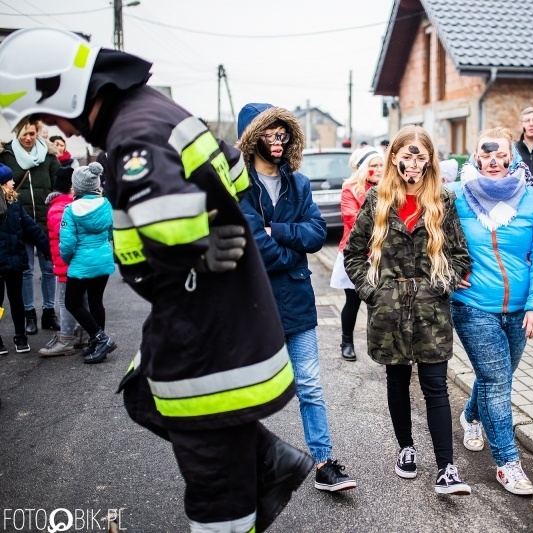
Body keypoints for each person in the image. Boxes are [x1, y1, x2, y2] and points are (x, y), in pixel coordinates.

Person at [0, 27, 313, 532]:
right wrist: (212, 221)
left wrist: (197, 244)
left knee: (217, 486)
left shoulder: (134, 135)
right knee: (142, 394)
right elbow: (234, 172)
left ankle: (259, 474)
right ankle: (271, 459)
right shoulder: (158, 111)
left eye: (45, 113)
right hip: (209, 313)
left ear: (63, 91)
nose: (54, 125)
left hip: (204, 331)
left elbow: (170, 220)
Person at [344, 125, 473, 495]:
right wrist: (372, 292)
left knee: (435, 386)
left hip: (431, 312)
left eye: (421, 157)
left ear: (430, 160)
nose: (414, 164)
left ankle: (447, 468)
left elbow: (460, 255)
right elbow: (353, 253)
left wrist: (440, 286)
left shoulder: (442, 200)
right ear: (395, 158)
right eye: (407, 156)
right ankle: (406, 448)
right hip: (389, 312)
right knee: (397, 381)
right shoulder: (378, 199)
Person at [237, 102, 357, 492]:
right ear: (251, 138)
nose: (278, 140)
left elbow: (316, 233)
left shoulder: (299, 184)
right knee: (250, 388)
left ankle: (323, 463)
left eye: (282, 133)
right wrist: (289, 247)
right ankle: (244, 464)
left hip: (297, 299)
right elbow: (253, 243)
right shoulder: (239, 188)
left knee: (309, 385)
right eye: (269, 133)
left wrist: (277, 231)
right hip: (254, 304)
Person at [448, 127, 533, 495]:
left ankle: (471, 415)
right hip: (473, 305)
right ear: (476, 156)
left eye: (500, 154)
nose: (493, 160)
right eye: (486, 153)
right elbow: (431, 238)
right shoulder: (455, 196)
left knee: (497, 375)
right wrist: (447, 271)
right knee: (497, 382)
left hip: (521, 310)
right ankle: (508, 463)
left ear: (512, 157)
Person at [0, 118, 59, 335]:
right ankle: (29, 314)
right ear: (17, 134)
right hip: (19, 221)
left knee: (49, 269)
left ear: (37, 133)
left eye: (32, 134)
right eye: (24, 134)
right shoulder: (7, 156)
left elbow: (58, 186)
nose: (28, 138)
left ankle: (49, 312)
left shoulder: (49, 156)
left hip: (45, 221)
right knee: (26, 271)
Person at [58, 162, 117, 364]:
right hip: (103, 259)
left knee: (72, 302)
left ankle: (101, 339)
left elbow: (67, 243)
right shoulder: (106, 204)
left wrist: (68, 259)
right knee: (96, 302)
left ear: (77, 186)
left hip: (81, 262)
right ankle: (97, 342)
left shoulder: (71, 209)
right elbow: (110, 232)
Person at [331, 144, 384, 361]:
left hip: (382, 254)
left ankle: (380, 345)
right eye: (374, 165)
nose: (379, 169)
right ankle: (347, 342)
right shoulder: (350, 189)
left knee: (380, 302)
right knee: (353, 301)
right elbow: (352, 219)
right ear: (363, 168)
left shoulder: (388, 188)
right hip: (356, 254)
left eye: (381, 165)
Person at [0, 162, 51, 354]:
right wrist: (47, 249)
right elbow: (32, 229)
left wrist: (46, 248)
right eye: (9, 180)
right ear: (3, 184)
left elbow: (31, 228)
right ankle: (20, 338)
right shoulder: (14, 205)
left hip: (11, 261)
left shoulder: (14, 204)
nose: (13, 183)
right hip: (14, 260)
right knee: (16, 301)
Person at [39, 166, 85, 357]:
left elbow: (65, 238)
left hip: (65, 263)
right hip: (77, 262)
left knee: (66, 301)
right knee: (81, 299)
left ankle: (66, 339)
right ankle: (82, 335)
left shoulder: (58, 207)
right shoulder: (74, 205)